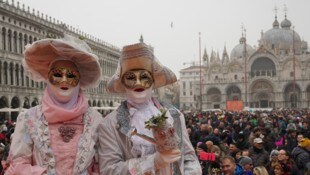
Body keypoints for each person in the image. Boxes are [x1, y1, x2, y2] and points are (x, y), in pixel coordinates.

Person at [5, 35, 103, 174]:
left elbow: (100, 166)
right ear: (47, 77)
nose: (64, 81)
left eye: (71, 76)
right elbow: (17, 164)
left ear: (79, 79)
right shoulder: (29, 118)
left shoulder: (95, 120)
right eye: (57, 74)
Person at [99, 41, 201, 174]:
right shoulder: (110, 124)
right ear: (123, 83)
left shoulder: (174, 115)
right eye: (131, 78)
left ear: (153, 81)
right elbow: (108, 171)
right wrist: (152, 162)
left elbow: (189, 159)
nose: (138, 83)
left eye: (144, 77)